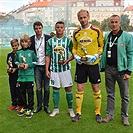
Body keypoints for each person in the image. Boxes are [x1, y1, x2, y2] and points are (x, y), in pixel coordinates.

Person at [72, 9, 104, 123]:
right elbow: (74, 47)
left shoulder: (96, 30)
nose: (83, 20)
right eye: (80, 18)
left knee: (96, 88)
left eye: (84, 17)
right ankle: (78, 112)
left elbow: (102, 46)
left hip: (93, 64)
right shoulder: (76, 32)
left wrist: (96, 55)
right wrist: (75, 56)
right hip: (81, 64)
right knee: (80, 88)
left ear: (88, 16)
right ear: (78, 19)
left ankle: (98, 113)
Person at [100, 14, 133, 126]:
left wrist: (129, 71)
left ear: (120, 23)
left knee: (125, 95)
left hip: (122, 70)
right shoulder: (107, 36)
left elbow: (130, 54)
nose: (114, 24)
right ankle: (109, 115)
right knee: (110, 94)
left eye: (116, 22)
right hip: (109, 69)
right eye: (112, 22)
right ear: (109, 23)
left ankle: (125, 117)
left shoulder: (127, 37)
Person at [45, 21, 75, 118]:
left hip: (65, 69)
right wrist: (47, 69)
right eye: (58, 27)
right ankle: (56, 109)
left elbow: (74, 53)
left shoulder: (68, 41)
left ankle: (70, 109)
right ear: (55, 28)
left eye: (61, 27)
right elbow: (48, 56)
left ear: (64, 28)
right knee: (55, 89)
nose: (59, 29)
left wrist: (67, 60)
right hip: (54, 69)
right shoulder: (50, 41)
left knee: (68, 88)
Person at [30, 21, 51, 114]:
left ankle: (46, 105)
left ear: (42, 28)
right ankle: (39, 106)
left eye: (39, 28)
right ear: (34, 29)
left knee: (46, 87)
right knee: (38, 88)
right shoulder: (31, 40)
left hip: (46, 66)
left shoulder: (48, 38)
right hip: (36, 67)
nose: (38, 30)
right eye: (36, 28)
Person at [15, 34, 37, 118]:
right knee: (22, 93)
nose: (24, 43)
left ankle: (30, 108)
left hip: (29, 76)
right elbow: (15, 61)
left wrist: (29, 65)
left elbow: (36, 62)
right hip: (21, 77)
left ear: (29, 43)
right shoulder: (18, 52)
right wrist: (19, 65)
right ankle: (24, 106)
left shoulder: (31, 52)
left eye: (26, 42)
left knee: (30, 93)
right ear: (21, 43)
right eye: (22, 42)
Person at [6, 39, 23, 112]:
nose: (14, 47)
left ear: (18, 45)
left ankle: (20, 104)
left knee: (18, 90)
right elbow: (8, 64)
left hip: (18, 75)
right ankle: (14, 103)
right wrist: (8, 69)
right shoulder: (9, 55)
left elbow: (21, 64)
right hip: (11, 76)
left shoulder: (20, 54)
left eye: (16, 45)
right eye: (13, 46)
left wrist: (15, 69)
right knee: (12, 89)